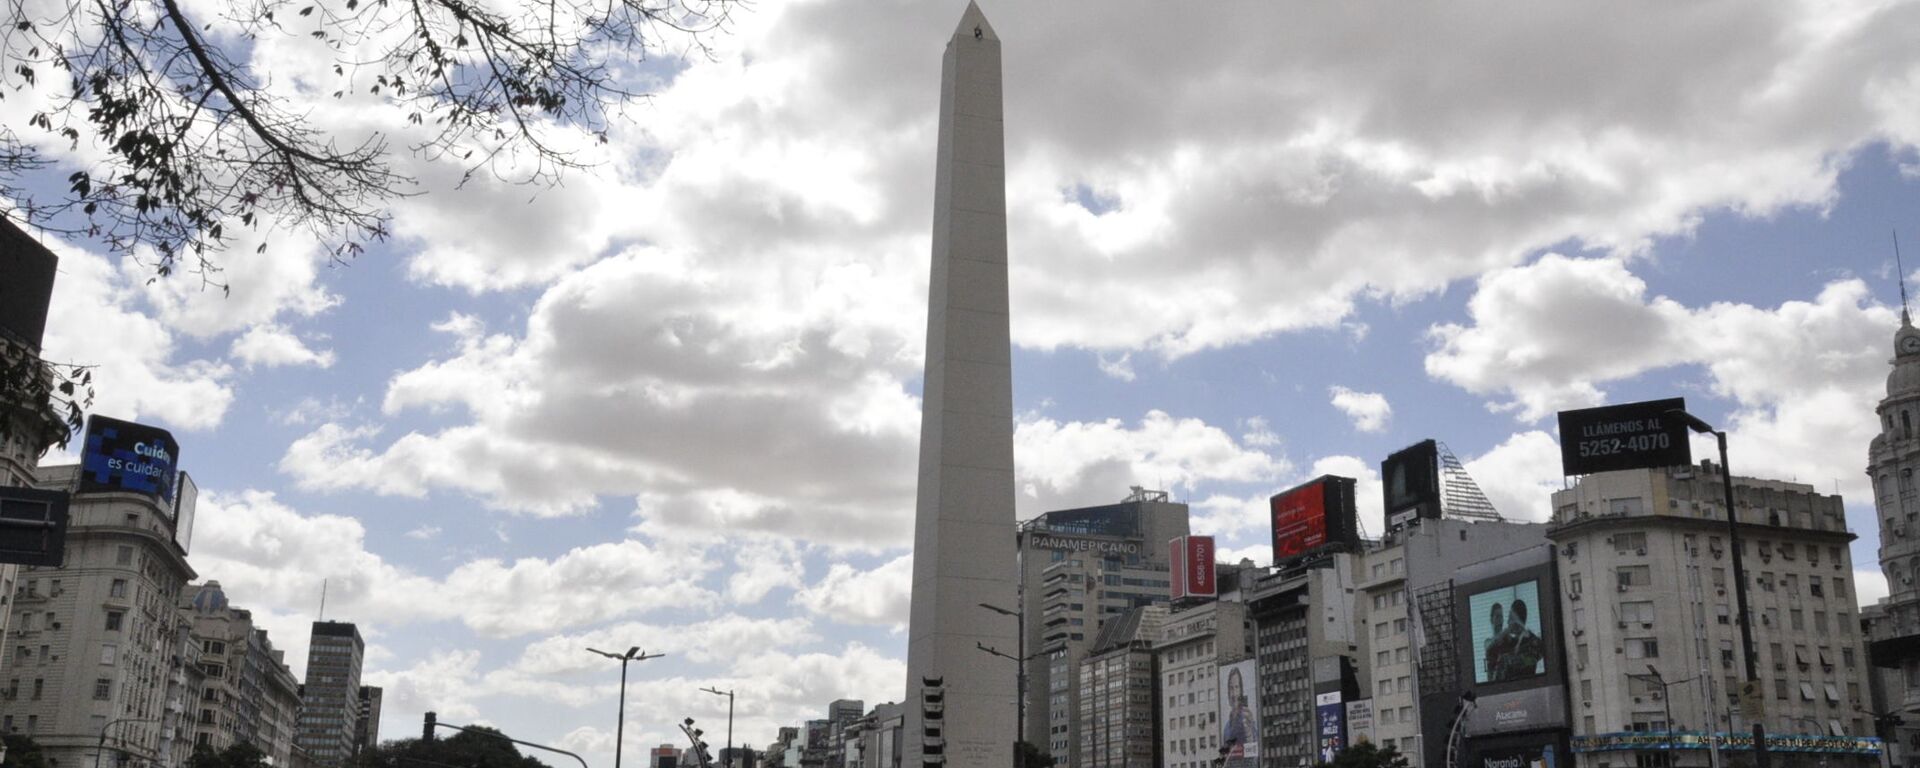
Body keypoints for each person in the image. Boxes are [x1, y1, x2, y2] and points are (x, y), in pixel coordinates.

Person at [1498, 598, 1545, 680]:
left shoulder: (1533, 642)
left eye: (1510, 617)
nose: (1508, 622)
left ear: (1517, 619)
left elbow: (1532, 659)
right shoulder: (1510, 642)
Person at [1221, 667, 1255, 760]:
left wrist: (1249, 737)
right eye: (1231, 688)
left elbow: (1255, 756)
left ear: (1241, 690)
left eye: (1236, 687)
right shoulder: (1226, 728)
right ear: (1228, 692)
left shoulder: (1249, 720)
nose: (1234, 693)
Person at [1482, 601, 1511, 682]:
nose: (1500, 620)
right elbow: (1489, 647)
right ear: (1491, 619)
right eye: (1497, 617)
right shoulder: (1488, 642)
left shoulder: (1508, 639)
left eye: (1501, 617)